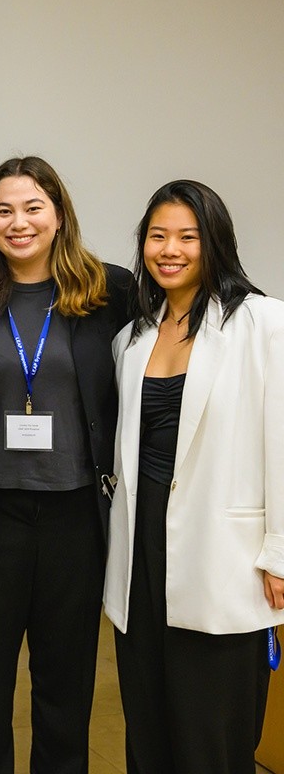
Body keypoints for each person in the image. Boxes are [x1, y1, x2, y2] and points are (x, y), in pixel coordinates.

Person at [0, 156, 132, 774]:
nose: (17, 222)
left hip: (76, 514)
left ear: (57, 215)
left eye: (32, 208)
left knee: (65, 684)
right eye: (3, 210)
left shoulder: (110, 291)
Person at [104, 180, 284, 774]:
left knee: (212, 731)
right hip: (142, 547)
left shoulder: (262, 323)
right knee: (148, 723)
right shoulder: (133, 337)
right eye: (157, 236)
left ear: (215, 244)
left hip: (223, 553)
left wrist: (280, 551)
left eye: (187, 236)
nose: (170, 249)